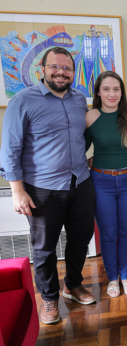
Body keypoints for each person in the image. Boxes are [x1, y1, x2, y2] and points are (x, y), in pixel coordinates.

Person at [0, 47, 96, 324]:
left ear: (73, 72)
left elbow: (83, 136)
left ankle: (73, 285)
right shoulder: (23, 100)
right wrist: (17, 190)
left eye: (67, 68)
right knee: (44, 248)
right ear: (42, 69)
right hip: (42, 188)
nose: (61, 72)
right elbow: (9, 149)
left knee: (80, 240)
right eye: (55, 66)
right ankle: (50, 299)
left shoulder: (79, 100)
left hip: (80, 182)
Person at [84, 71, 127, 297]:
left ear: (122, 93)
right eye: (106, 89)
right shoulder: (90, 117)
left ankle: (125, 276)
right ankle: (113, 279)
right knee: (108, 233)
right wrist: (85, 161)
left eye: (116, 89)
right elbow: (78, 148)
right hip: (101, 181)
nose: (112, 94)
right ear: (98, 92)